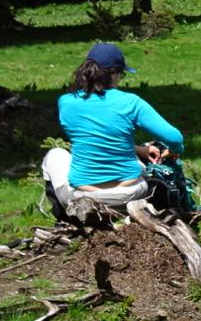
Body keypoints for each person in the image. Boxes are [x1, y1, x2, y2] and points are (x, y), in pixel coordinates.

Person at [41, 42, 185, 215]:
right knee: (138, 167)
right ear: (114, 74)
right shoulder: (130, 102)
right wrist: (175, 150)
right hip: (131, 194)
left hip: (84, 196)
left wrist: (138, 150)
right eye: (122, 74)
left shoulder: (66, 102)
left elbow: (97, 138)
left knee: (55, 154)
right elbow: (175, 137)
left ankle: (65, 217)